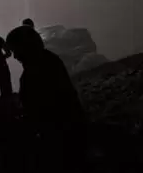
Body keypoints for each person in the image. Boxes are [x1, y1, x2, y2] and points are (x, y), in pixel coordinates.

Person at [6, 26, 86, 171]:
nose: (15, 56)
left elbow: (42, 110)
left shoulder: (37, 70)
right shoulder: (48, 61)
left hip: (58, 138)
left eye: (15, 50)